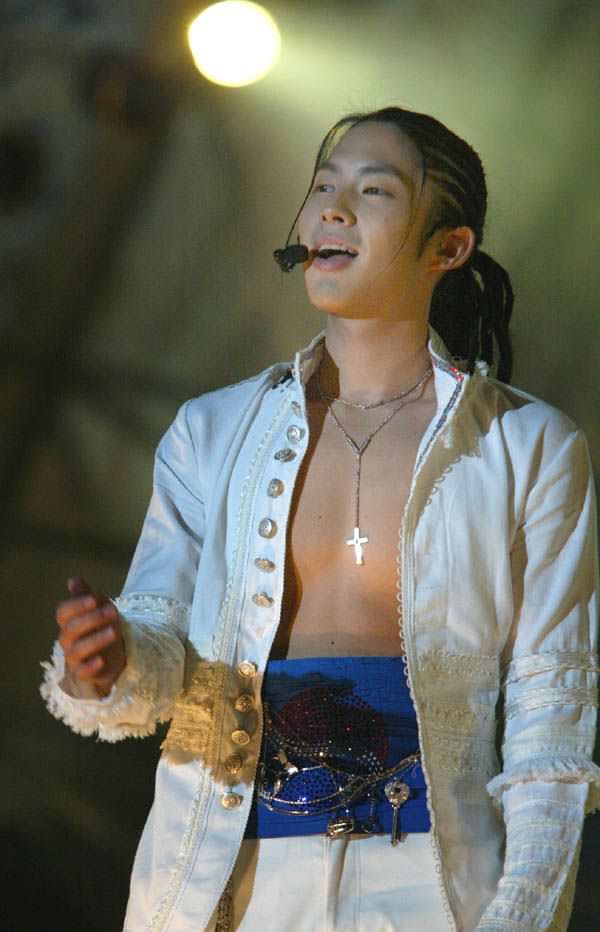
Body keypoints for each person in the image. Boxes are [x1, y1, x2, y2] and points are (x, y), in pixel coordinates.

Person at [41, 106, 599, 932]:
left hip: (434, 886)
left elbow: (553, 710)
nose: (332, 208)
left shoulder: (529, 445)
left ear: (448, 248)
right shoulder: (211, 431)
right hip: (230, 878)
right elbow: (160, 636)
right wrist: (109, 661)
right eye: (323, 185)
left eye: (374, 191)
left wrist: (520, 913)